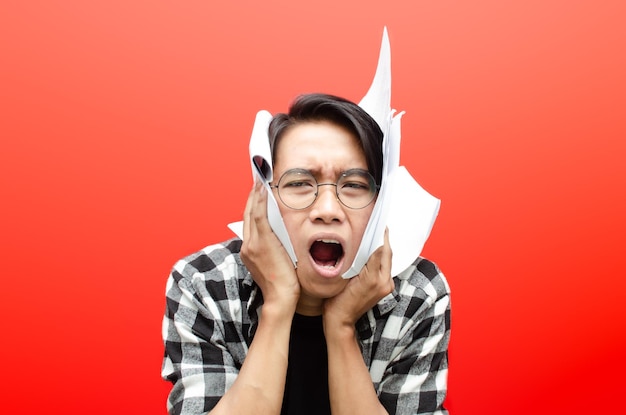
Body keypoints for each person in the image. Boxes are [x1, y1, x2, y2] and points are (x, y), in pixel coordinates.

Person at [161, 93, 451, 415]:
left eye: (354, 185)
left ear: (380, 206)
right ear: (265, 201)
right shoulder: (204, 285)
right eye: (299, 183)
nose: (328, 210)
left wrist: (341, 327)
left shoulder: (416, 292)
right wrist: (278, 302)